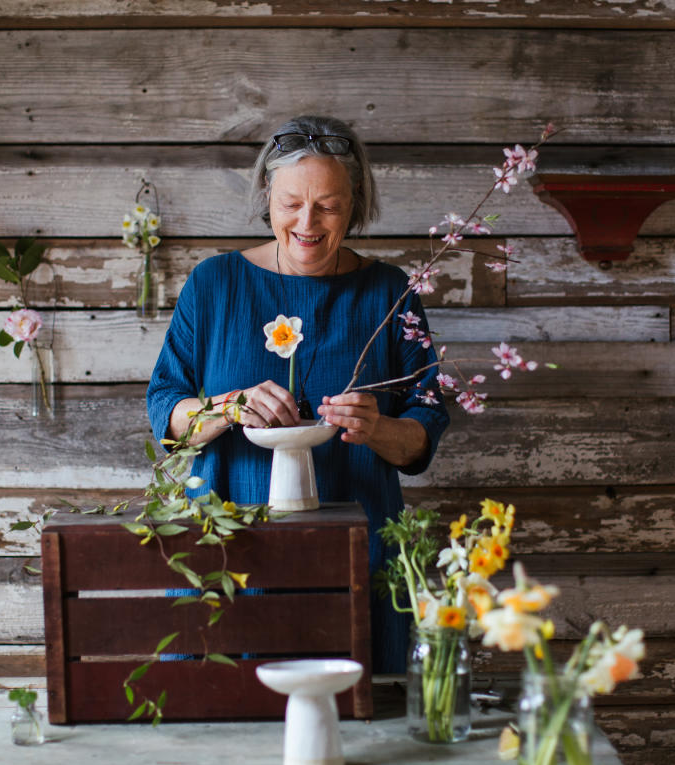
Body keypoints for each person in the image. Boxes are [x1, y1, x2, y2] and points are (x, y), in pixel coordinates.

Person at [146, 115, 450, 671]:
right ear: (268, 195)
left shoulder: (388, 291)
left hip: (358, 555)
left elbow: (423, 431)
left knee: (361, 725)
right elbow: (166, 410)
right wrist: (226, 407)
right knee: (224, 716)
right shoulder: (214, 285)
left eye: (328, 206)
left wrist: (380, 428)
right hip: (231, 552)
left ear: (355, 204)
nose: (307, 222)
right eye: (291, 203)